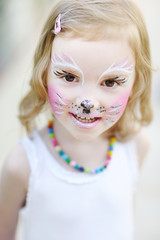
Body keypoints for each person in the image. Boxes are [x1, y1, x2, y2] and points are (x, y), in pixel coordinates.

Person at [0, 0, 152, 239]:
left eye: (110, 82)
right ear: (44, 74)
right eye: (69, 76)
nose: (88, 102)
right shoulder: (24, 165)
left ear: (136, 84)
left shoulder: (135, 146)